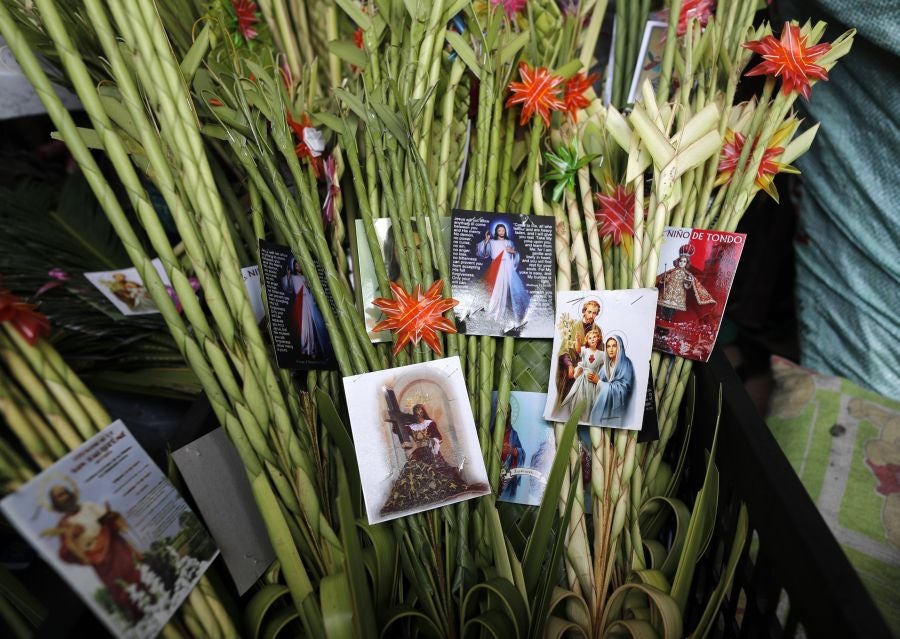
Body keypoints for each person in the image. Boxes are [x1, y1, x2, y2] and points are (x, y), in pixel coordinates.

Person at [42, 485, 144, 621]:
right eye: (60, 496)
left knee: (138, 576)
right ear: (56, 503)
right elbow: (65, 552)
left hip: (117, 548)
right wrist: (74, 536)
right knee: (121, 590)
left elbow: (110, 520)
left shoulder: (88, 506)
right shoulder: (64, 524)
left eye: (65, 493)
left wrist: (110, 519)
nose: (65, 497)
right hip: (101, 561)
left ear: (71, 494)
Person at [381, 404, 471, 516]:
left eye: (420, 412)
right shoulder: (411, 426)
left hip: (431, 451)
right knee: (412, 469)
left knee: (437, 471)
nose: (419, 414)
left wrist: (432, 441)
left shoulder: (430, 424)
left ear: (423, 412)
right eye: (416, 412)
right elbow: (398, 430)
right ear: (414, 414)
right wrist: (395, 420)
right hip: (418, 452)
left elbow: (439, 437)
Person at [475, 223, 530, 324]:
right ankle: (493, 313)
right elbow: (483, 253)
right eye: (499, 230)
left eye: (503, 230)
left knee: (513, 290)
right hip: (496, 267)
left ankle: (513, 316)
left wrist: (512, 252)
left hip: (508, 267)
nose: (501, 232)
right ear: (496, 231)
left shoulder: (509, 242)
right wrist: (486, 241)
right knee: (495, 290)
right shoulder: (492, 242)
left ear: (505, 231)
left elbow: (516, 254)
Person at [555, 300, 602, 409]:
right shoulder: (574, 326)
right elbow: (564, 349)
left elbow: (600, 353)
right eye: (589, 312)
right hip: (572, 371)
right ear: (584, 311)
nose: (591, 315)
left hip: (589, 372)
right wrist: (569, 365)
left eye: (594, 313)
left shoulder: (598, 330)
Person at [280, 257, 329, 357]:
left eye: (300, 265)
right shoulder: (293, 278)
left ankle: (314, 349)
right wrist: (288, 276)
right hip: (300, 303)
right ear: (294, 266)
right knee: (304, 327)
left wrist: (309, 287)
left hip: (310, 302)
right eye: (296, 265)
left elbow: (315, 292)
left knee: (313, 326)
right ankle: (305, 349)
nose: (298, 266)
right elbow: (288, 288)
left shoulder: (306, 278)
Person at [655, 245, 715, 321]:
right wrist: (665, 279)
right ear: (678, 261)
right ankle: (663, 319)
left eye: (684, 261)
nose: (682, 263)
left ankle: (668, 320)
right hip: (667, 293)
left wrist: (687, 282)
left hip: (678, 296)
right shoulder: (671, 271)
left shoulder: (687, 274)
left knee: (672, 311)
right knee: (664, 310)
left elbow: (687, 286)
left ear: (686, 263)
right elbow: (661, 280)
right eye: (681, 261)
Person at [589, 335, 636, 427]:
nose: (611, 349)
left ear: (620, 348)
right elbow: (597, 385)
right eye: (608, 346)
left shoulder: (626, 364)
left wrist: (599, 383)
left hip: (619, 410)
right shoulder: (605, 367)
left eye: (614, 346)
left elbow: (624, 388)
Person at [561, 328, 604, 422]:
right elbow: (578, 350)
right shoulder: (585, 350)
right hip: (583, 379)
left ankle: (587, 418)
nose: (592, 339)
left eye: (594, 337)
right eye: (590, 338)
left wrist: (600, 377)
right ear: (587, 341)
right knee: (579, 397)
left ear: (598, 339)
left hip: (593, 380)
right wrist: (577, 340)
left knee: (590, 400)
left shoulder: (601, 354)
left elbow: (607, 366)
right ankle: (576, 416)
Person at [499, 412, 526, 500]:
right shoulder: (489, 431)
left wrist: (513, 451)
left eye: (506, 412)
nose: (503, 414)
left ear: (509, 415)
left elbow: (522, 452)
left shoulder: (513, 434)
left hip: (507, 478)